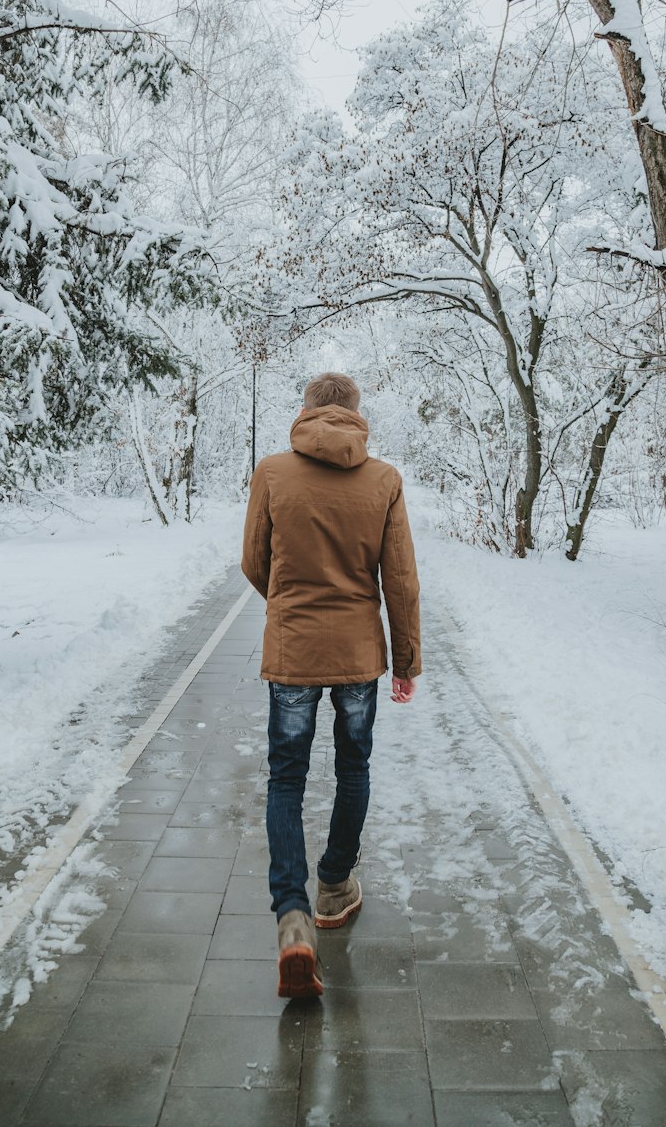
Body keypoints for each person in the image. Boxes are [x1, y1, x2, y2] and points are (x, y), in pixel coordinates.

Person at [241, 371, 422, 999]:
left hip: (293, 652)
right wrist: (405, 661)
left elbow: (252, 561)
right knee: (354, 769)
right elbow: (399, 581)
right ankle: (335, 885)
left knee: (286, 776)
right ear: (356, 414)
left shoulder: (271, 472)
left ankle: (291, 914)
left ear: (307, 411)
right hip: (356, 657)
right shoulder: (384, 481)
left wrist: (288, 606)